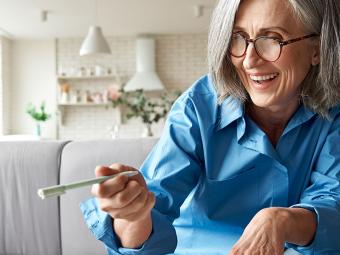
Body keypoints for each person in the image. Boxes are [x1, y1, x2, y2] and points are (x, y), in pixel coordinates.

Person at [80, 0, 340, 254]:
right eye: (238, 38)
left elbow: (333, 208)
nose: (249, 60)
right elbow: (154, 207)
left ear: (316, 49)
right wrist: (133, 214)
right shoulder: (198, 107)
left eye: (271, 39)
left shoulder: (334, 114)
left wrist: (282, 220)